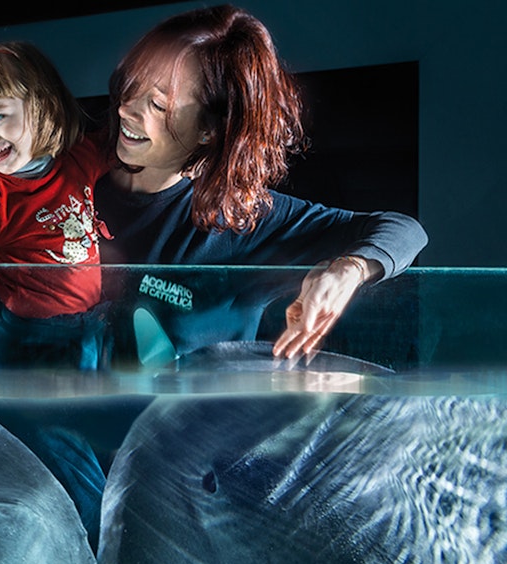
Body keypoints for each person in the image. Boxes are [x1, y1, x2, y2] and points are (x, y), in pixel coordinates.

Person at [96, 4, 427, 367]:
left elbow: (403, 230)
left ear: (210, 130)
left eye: (158, 105)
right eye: (134, 85)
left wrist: (348, 270)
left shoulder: (242, 219)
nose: (127, 109)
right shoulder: (74, 175)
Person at [0, 42, 111, 370]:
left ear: (41, 105)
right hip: (30, 335)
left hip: (90, 321)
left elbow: (120, 146)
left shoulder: (78, 158)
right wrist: (0, 302)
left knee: (89, 400)